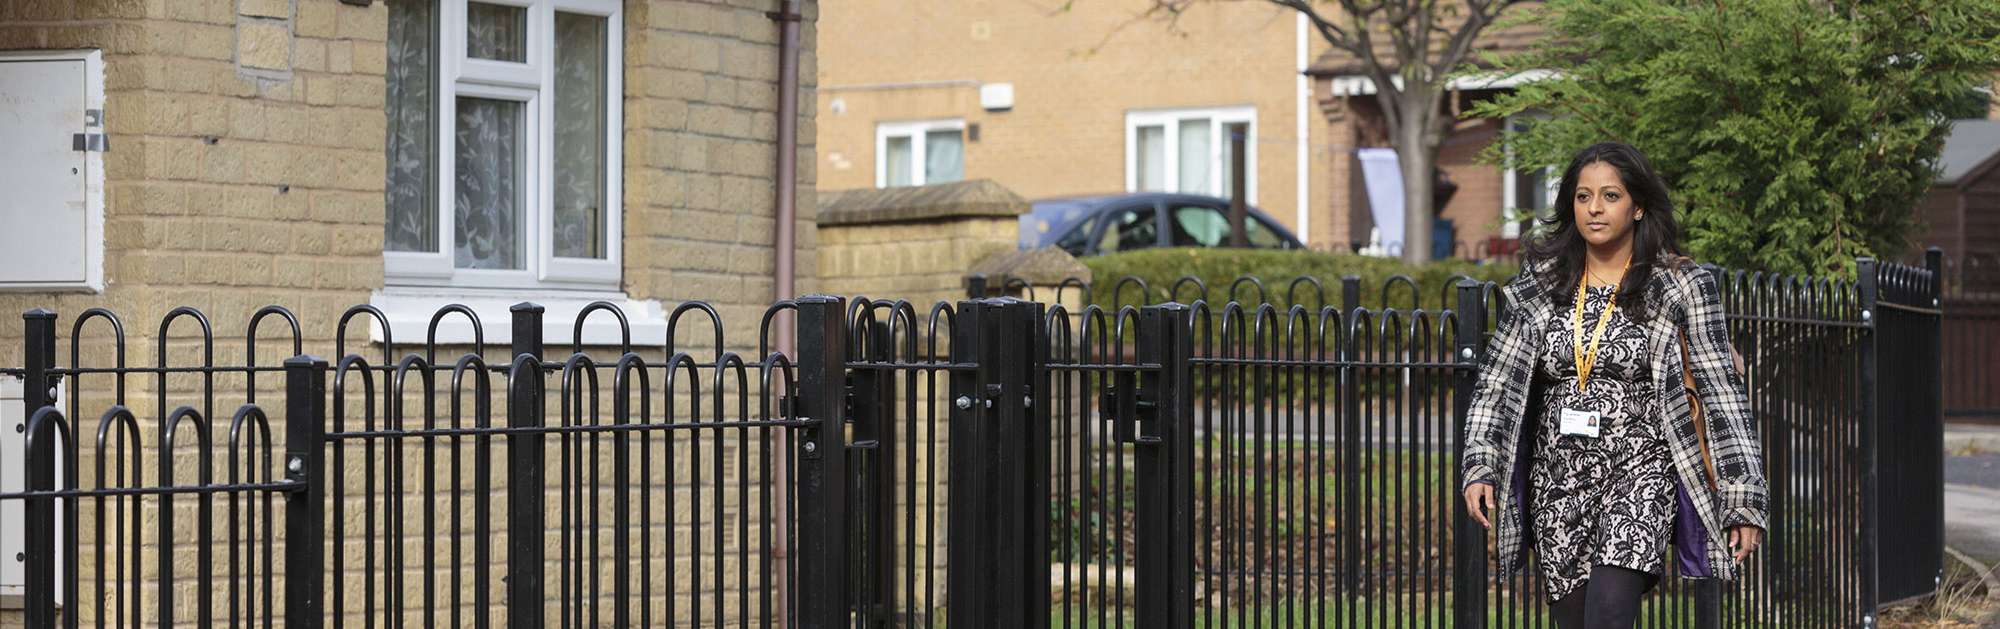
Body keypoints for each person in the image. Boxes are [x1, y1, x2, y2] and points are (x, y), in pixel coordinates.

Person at [1459, 141, 1768, 628]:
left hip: (1641, 470)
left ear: (1638, 205)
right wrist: (1481, 463)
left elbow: (1721, 394)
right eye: (1583, 197)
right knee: (1575, 619)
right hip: (1558, 477)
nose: (1595, 209)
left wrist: (1743, 498)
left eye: (1610, 196)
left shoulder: (1680, 285)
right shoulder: (1542, 283)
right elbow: (1497, 380)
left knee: (1609, 614)